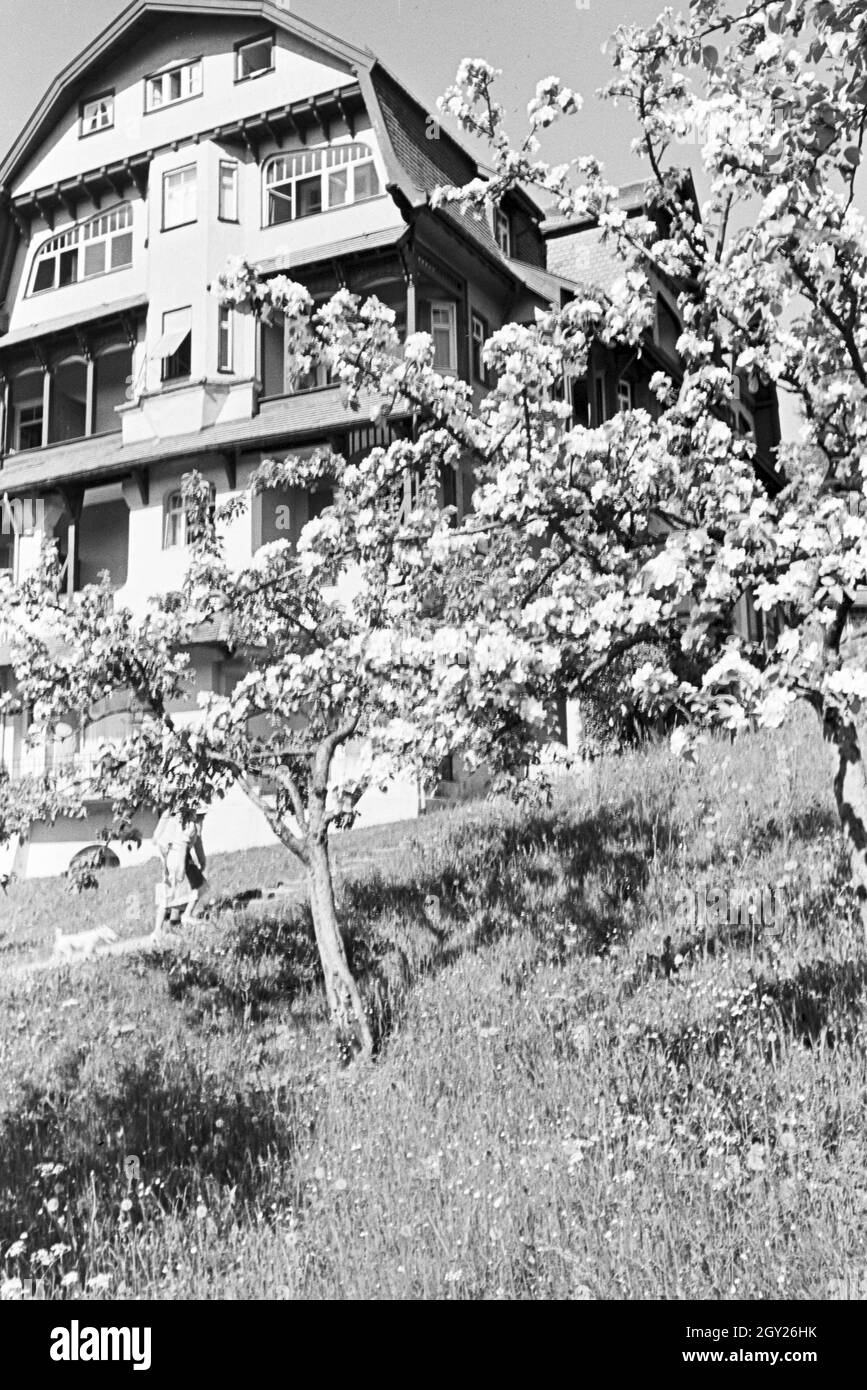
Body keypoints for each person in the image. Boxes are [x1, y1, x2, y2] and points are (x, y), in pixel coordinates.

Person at [151, 810, 207, 939]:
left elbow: (197, 843)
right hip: (178, 859)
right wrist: (181, 868)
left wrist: (202, 860)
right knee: (197, 886)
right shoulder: (190, 826)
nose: (203, 819)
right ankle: (185, 916)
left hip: (173, 858)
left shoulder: (183, 823)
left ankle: (159, 930)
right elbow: (183, 846)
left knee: (172, 893)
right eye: (201, 816)